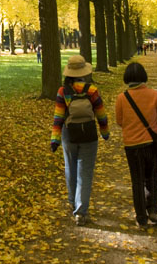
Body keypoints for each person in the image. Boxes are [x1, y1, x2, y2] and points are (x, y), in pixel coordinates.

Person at [50, 55, 110, 226]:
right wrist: (105, 132)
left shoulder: (63, 92)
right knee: (85, 172)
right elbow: (101, 114)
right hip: (89, 136)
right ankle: (81, 212)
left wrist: (55, 140)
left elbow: (58, 117)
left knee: (71, 168)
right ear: (84, 71)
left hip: (69, 135)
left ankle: (72, 202)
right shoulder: (91, 90)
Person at [115, 61, 157, 229]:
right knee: (152, 177)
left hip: (132, 145)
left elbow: (120, 121)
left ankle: (141, 217)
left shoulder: (122, 98)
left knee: (137, 181)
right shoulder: (154, 95)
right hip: (152, 143)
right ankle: (152, 209)